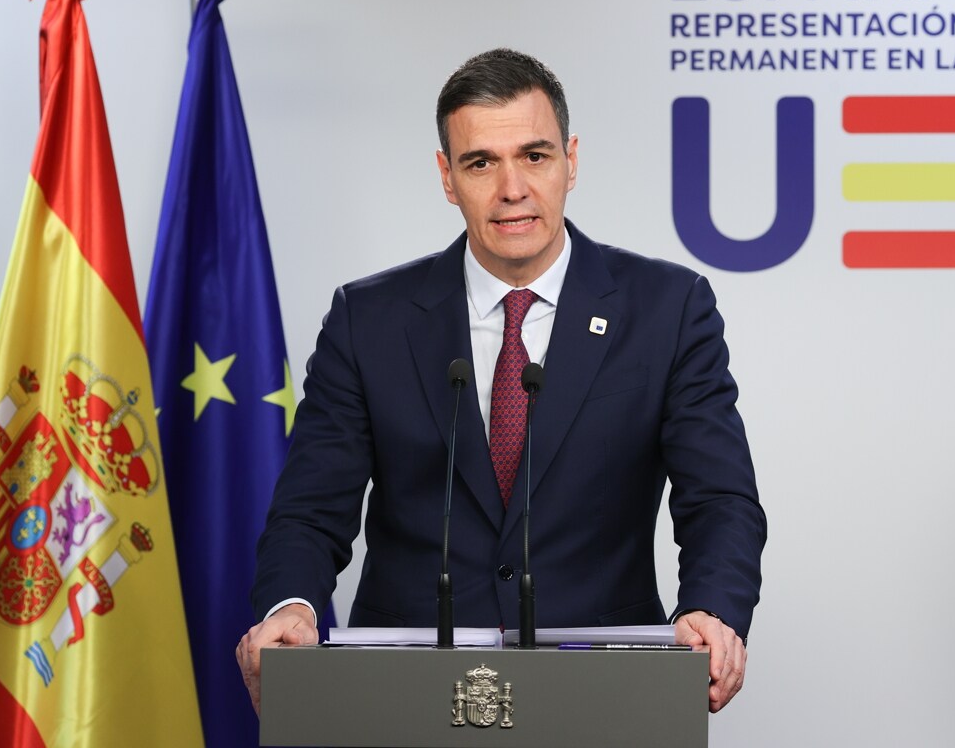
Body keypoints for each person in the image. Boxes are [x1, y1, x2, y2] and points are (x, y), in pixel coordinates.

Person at [236, 48, 766, 714]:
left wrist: (712, 611)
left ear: (571, 161)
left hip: (601, 691)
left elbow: (720, 500)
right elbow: (311, 511)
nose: (512, 188)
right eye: (481, 162)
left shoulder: (667, 309)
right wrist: (292, 604)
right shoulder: (368, 319)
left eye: (535, 156)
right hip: (405, 695)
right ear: (447, 177)